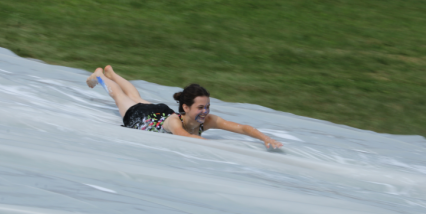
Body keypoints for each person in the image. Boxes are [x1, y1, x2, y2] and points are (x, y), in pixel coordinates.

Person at [87, 66, 283, 149]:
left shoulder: (206, 121)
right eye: (200, 108)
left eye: (207, 107)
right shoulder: (175, 122)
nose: (205, 112)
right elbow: (186, 138)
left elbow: (241, 128)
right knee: (122, 97)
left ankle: (113, 73)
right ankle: (100, 76)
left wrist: (265, 138)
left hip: (160, 112)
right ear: (186, 108)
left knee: (136, 96)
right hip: (140, 117)